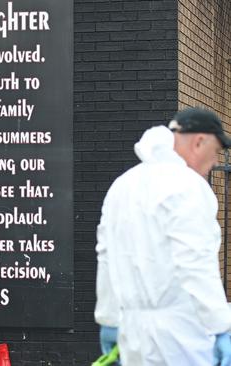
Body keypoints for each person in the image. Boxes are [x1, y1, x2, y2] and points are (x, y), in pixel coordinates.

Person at [95, 107, 231, 365]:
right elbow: (195, 263)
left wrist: (109, 319)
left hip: (132, 333)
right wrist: (221, 327)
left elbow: (107, 256)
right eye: (215, 153)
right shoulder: (188, 186)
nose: (214, 162)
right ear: (199, 141)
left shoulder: (123, 185)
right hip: (182, 335)